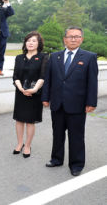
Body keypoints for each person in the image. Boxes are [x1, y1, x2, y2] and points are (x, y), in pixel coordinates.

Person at [42, 26, 98, 177]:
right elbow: (48, 80)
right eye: (70, 36)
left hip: (77, 105)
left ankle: (76, 164)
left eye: (77, 36)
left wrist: (91, 102)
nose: (73, 39)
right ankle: (56, 159)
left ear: (82, 39)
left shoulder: (89, 57)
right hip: (57, 103)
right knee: (57, 134)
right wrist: (45, 98)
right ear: (64, 39)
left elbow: (92, 82)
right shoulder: (54, 57)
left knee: (76, 136)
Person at [12, 32, 48, 158]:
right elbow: (15, 76)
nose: (30, 43)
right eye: (28, 40)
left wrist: (34, 89)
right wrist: (21, 88)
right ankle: (19, 143)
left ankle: (27, 145)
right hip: (21, 92)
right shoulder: (19, 58)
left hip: (35, 94)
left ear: (39, 43)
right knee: (19, 120)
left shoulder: (43, 57)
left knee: (30, 121)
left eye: (33, 41)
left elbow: (43, 76)